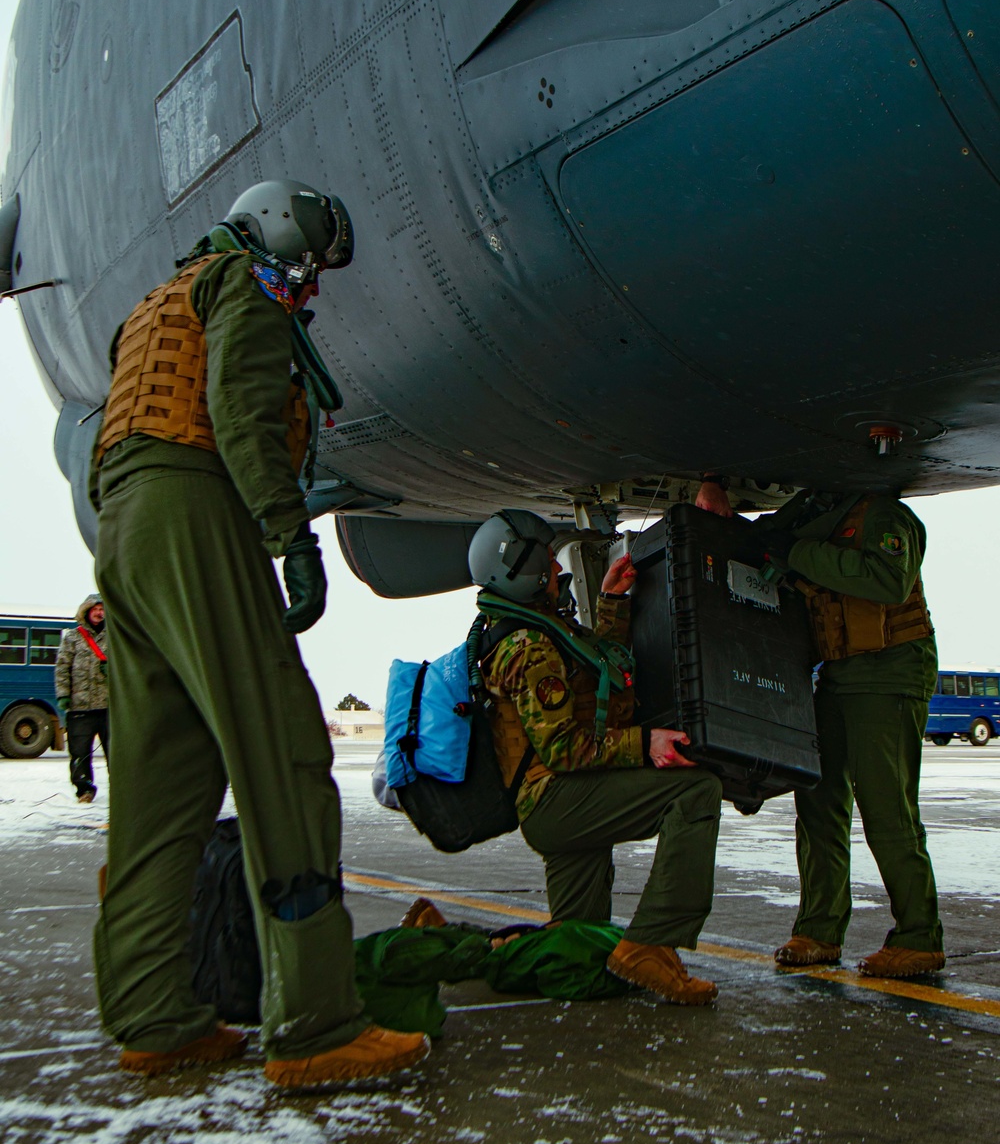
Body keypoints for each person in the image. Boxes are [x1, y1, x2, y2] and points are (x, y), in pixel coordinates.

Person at [91, 178, 428, 1087]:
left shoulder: (157, 302)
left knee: (162, 787)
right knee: (284, 760)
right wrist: (289, 533)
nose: (310, 286)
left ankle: (154, 1015)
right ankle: (315, 1024)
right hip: (197, 509)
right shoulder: (247, 282)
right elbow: (241, 413)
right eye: (312, 263)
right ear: (282, 233)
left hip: (125, 528)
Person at [468, 510, 723, 1006]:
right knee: (696, 791)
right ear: (525, 572)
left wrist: (611, 600)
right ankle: (653, 942)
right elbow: (563, 748)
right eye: (549, 562)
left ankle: (458, 946)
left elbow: (597, 672)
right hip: (557, 800)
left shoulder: (535, 629)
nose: (560, 571)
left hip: (552, 806)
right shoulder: (529, 645)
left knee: (578, 959)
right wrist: (644, 743)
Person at [751, 489, 943, 978]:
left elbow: (889, 580)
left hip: (889, 675)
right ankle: (818, 930)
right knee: (817, 802)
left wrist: (796, 553)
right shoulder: (819, 520)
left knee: (887, 809)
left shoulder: (881, 515)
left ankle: (919, 936)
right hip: (836, 675)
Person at [55, 593, 109, 802]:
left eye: (102, 609)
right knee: (79, 752)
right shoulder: (73, 637)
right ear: (86, 611)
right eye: (95, 609)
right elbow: (62, 668)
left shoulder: (115, 636)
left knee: (116, 752)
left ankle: (122, 791)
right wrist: (63, 696)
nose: (99, 613)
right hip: (80, 708)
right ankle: (84, 790)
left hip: (108, 707)